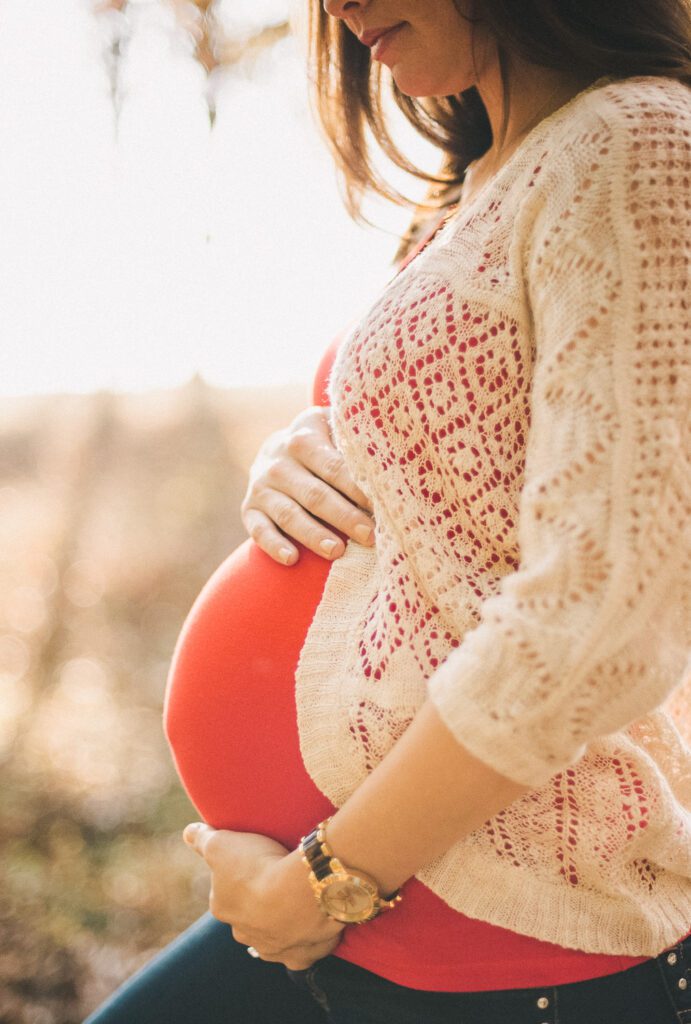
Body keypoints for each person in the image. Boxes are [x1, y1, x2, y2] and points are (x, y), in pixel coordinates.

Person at [83, 1, 691, 1022]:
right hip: (374, 910)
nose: (339, 3)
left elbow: (607, 611)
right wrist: (295, 452)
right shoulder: (483, 180)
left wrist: (325, 879)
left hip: (505, 944)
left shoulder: (634, 142)